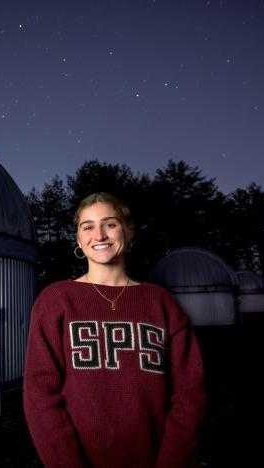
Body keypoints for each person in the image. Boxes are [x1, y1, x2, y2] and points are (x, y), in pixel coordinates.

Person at [23, 192, 206, 467]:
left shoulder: (161, 303)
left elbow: (190, 393)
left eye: (110, 224)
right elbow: (39, 394)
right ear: (78, 239)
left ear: (128, 232)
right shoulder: (56, 300)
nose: (99, 235)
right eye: (88, 227)